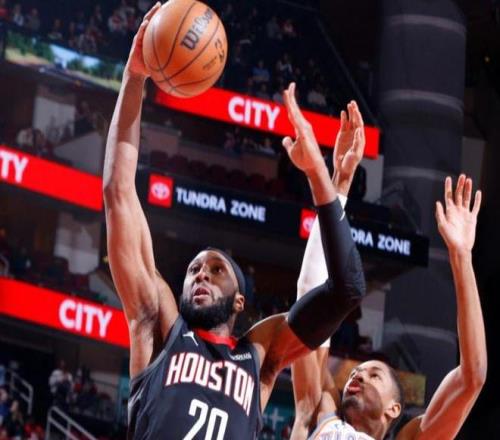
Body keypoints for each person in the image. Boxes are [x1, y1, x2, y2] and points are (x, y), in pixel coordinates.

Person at [103, 4, 366, 439]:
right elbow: (118, 193)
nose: (201, 274)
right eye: (194, 269)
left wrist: (325, 179)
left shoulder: (259, 357)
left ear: (240, 301)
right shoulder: (160, 325)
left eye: (216, 269)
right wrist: (133, 78)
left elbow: (347, 290)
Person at [290, 102, 486, 440]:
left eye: (374, 375)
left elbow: (473, 377)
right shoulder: (317, 410)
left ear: (394, 409)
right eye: (360, 372)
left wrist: (461, 257)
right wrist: (339, 183)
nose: (358, 376)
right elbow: (309, 296)